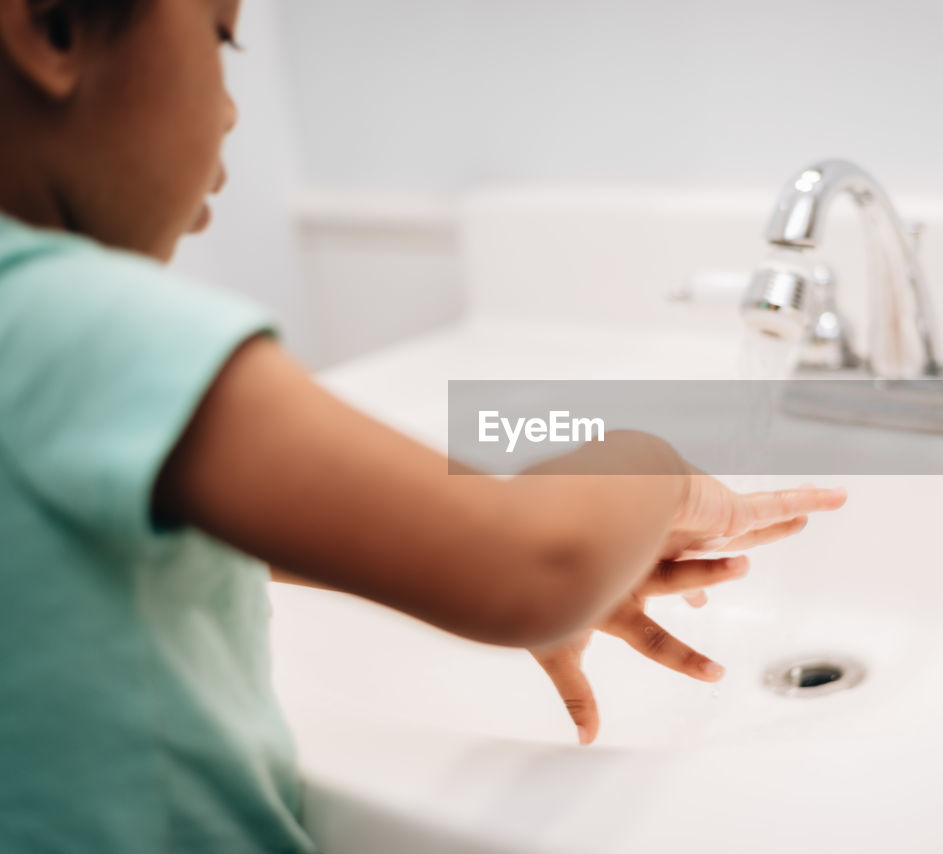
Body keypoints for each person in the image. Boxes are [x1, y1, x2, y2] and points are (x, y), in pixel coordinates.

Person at [0, 1, 847, 851]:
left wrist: (552, 571)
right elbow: (534, 560)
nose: (229, 109)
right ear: (52, 30)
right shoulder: (85, 325)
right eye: (220, 39)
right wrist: (654, 469)